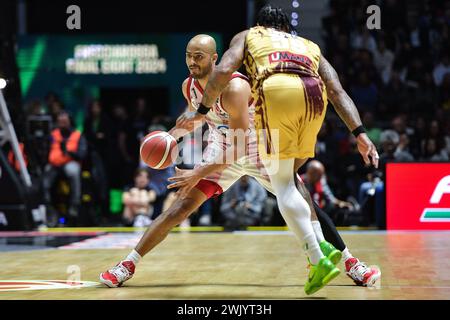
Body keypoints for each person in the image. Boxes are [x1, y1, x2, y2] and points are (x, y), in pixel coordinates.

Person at [100, 21, 380, 292]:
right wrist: (171, 136)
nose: (192, 62)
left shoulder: (235, 88)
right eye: (188, 56)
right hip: (222, 145)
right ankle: (127, 264)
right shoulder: (189, 86)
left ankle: (351, 263)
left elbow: (238, 147)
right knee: (180, 208)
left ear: (214, 59)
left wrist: (197, 172)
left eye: (198, 56)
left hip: (257, 146)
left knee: (305, 203)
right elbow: (197, 118)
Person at [43, 111, 87, 218]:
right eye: (60, 122)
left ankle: (74, 205)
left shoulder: (77, 135)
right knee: (45, 176)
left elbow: (82, 154)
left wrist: (69, 152)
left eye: (65, 122)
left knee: (73, 171)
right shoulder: (53, 134)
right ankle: (47, 205)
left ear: (70, 122)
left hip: (70, 162)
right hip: (54, 164)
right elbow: (45, 150)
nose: (62, 124)